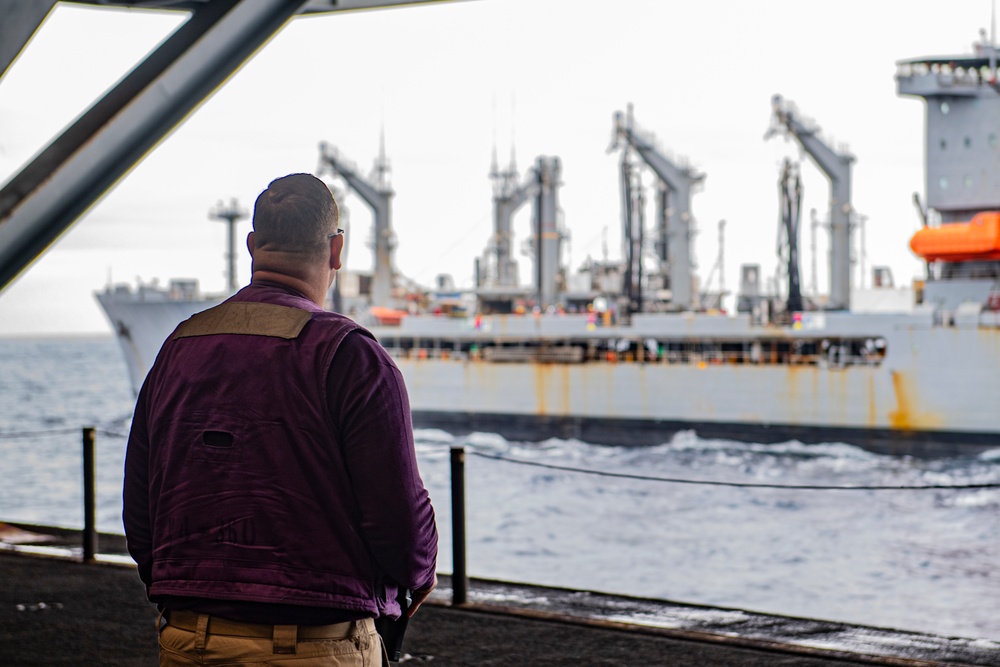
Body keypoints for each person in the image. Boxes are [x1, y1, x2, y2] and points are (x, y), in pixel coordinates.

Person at [123, 173, 438, 666]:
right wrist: (419, 572)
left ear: (252, 246)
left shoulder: (176, 349)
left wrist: (191, 596)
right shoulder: (351, 355)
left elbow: (141, 513)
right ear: (336, 251)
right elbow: (396, 516)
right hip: (315, 647)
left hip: (189, 642)